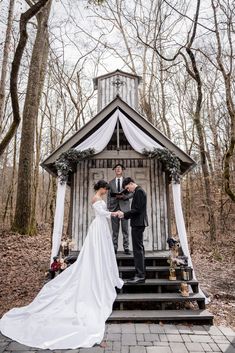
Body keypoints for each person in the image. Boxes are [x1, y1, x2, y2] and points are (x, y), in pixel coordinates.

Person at [0, 180, 123, 350]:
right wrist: (114, 213)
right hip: (99, 226)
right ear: (101, 188)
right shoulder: (96, 198)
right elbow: (103, 214)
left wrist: (112, 213)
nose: (106, 191)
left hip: (101, 227)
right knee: (96, 252)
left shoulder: (98, 198)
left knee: (103, 251)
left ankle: (104, 272)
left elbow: (104, 214)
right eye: (105, 188)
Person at [118, 177, 148, 284]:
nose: (128, 190)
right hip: (138, 223)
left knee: (137, 250)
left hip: (138, 223)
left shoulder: (139, 192)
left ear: (131, 183)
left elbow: (137, 210)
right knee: (139, 249)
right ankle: (140, 273)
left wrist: (124, 214)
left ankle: (140, 276)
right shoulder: (138, 191)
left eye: (127, 188)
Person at [108, 164, 132, 255]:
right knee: (115, 230)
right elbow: (109, 196)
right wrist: (109, 208)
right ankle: (114, 248)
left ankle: (126, 248)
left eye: (120, 168)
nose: (118, 169)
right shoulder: (111, 182)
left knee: (125, 229)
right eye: (116, 168)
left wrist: (124, 197)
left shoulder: (127, 182)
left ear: (122, 170)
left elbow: (131, 193)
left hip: (124, 208)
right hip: (114, 208)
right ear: (115, 170)